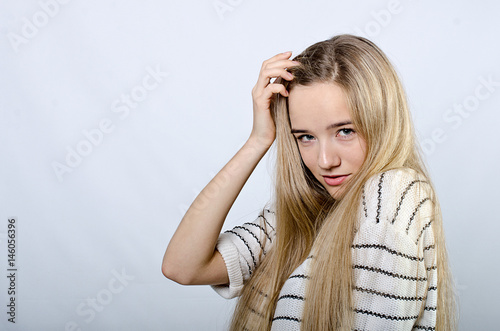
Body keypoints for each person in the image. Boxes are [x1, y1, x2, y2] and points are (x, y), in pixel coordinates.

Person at [162, 34, 456, 330]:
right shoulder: (304, 213)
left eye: (344, 131)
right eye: (306, 137)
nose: (325, 160)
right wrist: (258, 139)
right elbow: (183, 267)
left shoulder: (389, 194)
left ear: (381, 121)